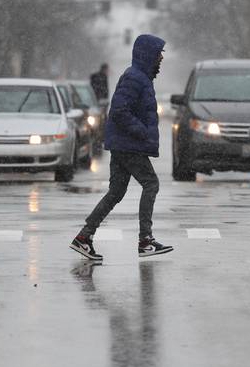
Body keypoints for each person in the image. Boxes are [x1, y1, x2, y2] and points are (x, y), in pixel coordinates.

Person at [70, 34, 173, 261]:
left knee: (116, 192)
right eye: (159, 55)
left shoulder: (140, 78)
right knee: (151, 184)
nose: (161, 60)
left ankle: (84, 237)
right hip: (128, 145)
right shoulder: (135, 78)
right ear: (148, 55)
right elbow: (119, 111)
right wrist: (142, 132)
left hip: (123, 144)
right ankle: (145, 241)